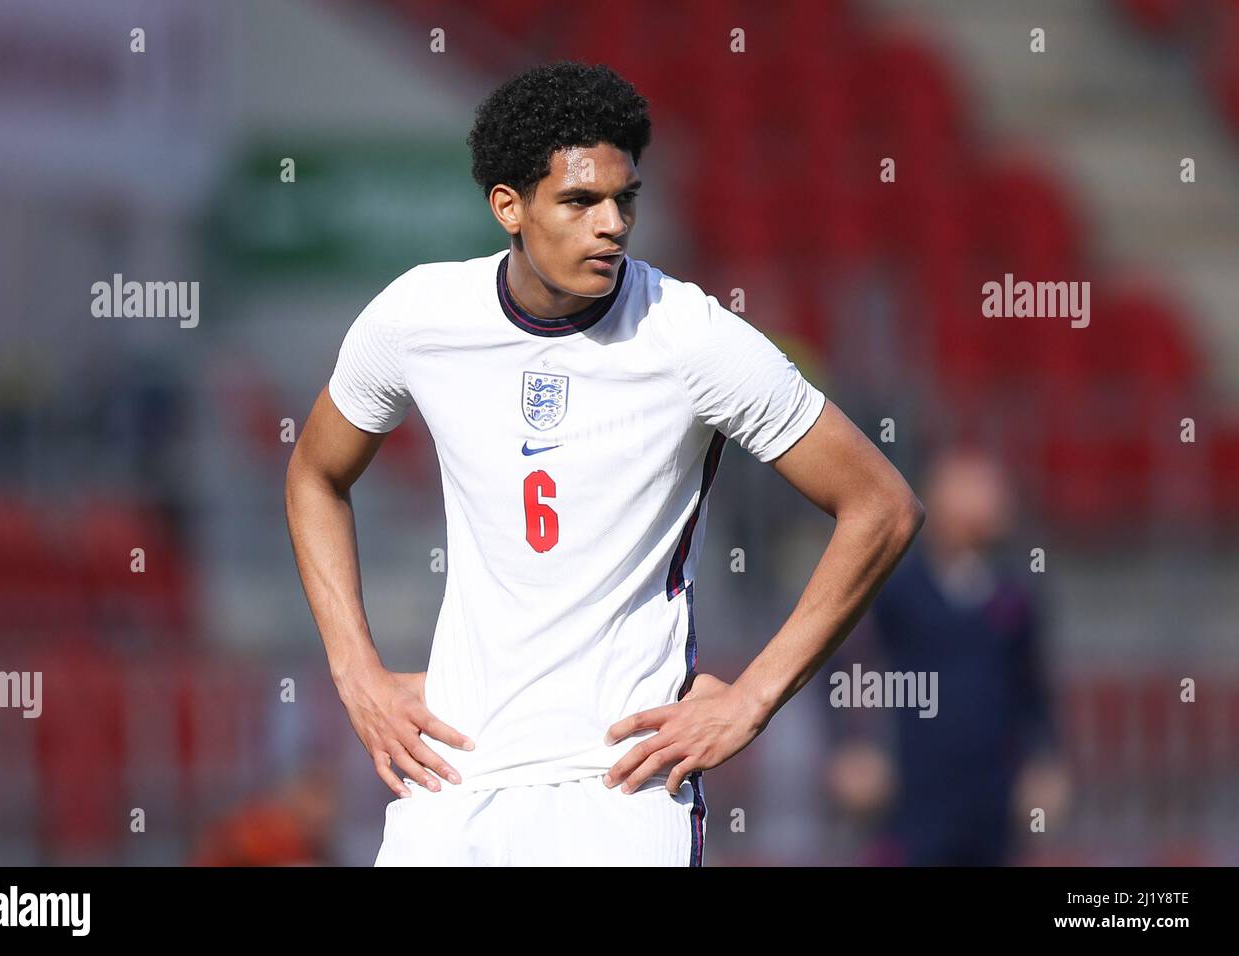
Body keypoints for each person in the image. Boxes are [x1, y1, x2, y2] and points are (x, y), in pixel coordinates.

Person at [284, 61, 924, 866]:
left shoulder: (690, 336)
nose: (612, 224)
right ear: (508, 207)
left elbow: (882, 504)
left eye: (626, 200)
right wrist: (358, 674)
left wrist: (756, 697)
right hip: (450, 781)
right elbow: (315, 474)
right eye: (580, 201)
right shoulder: (420, 316)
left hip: (619, 789)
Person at [825, 446, 1070, 865]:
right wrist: (850, 746)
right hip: (910, 804)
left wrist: (1045, 762)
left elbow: (1033, 690)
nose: (993, 497)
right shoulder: (896, 588)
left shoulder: (1014, 597)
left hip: (991, 805)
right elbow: (840, 662)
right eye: (976, 486)